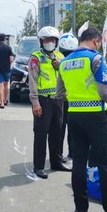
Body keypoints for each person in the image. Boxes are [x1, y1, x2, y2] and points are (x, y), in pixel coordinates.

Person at [56, 28, 107, 212]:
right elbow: (104, 90)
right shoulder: (95, 59)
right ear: (96, 41)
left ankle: (80, 209)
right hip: (95, 116)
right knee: (106, 164)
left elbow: (60, 93)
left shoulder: (64, 62)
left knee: (79, 162)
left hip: (74, 116)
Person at [28, 26, 71, 179]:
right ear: (41, 41)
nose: (50, 42)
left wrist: (60, 65)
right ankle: (38, 166)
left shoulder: (60, 56)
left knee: (57, 133)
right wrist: (35, 102)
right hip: (43, 100)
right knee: (41, 134)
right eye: (47, 40)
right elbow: (32, 80)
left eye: (52, 40)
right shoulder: (36, 57)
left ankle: (56, 161)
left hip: (58, 100)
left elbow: (67, 75)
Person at [58, 32, 79, 161]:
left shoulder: (60, 61)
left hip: (68, 99)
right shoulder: (81, 61)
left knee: (65, 128)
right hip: (69, 100)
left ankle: (65, 153)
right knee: (66, 129)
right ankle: (66, 153)